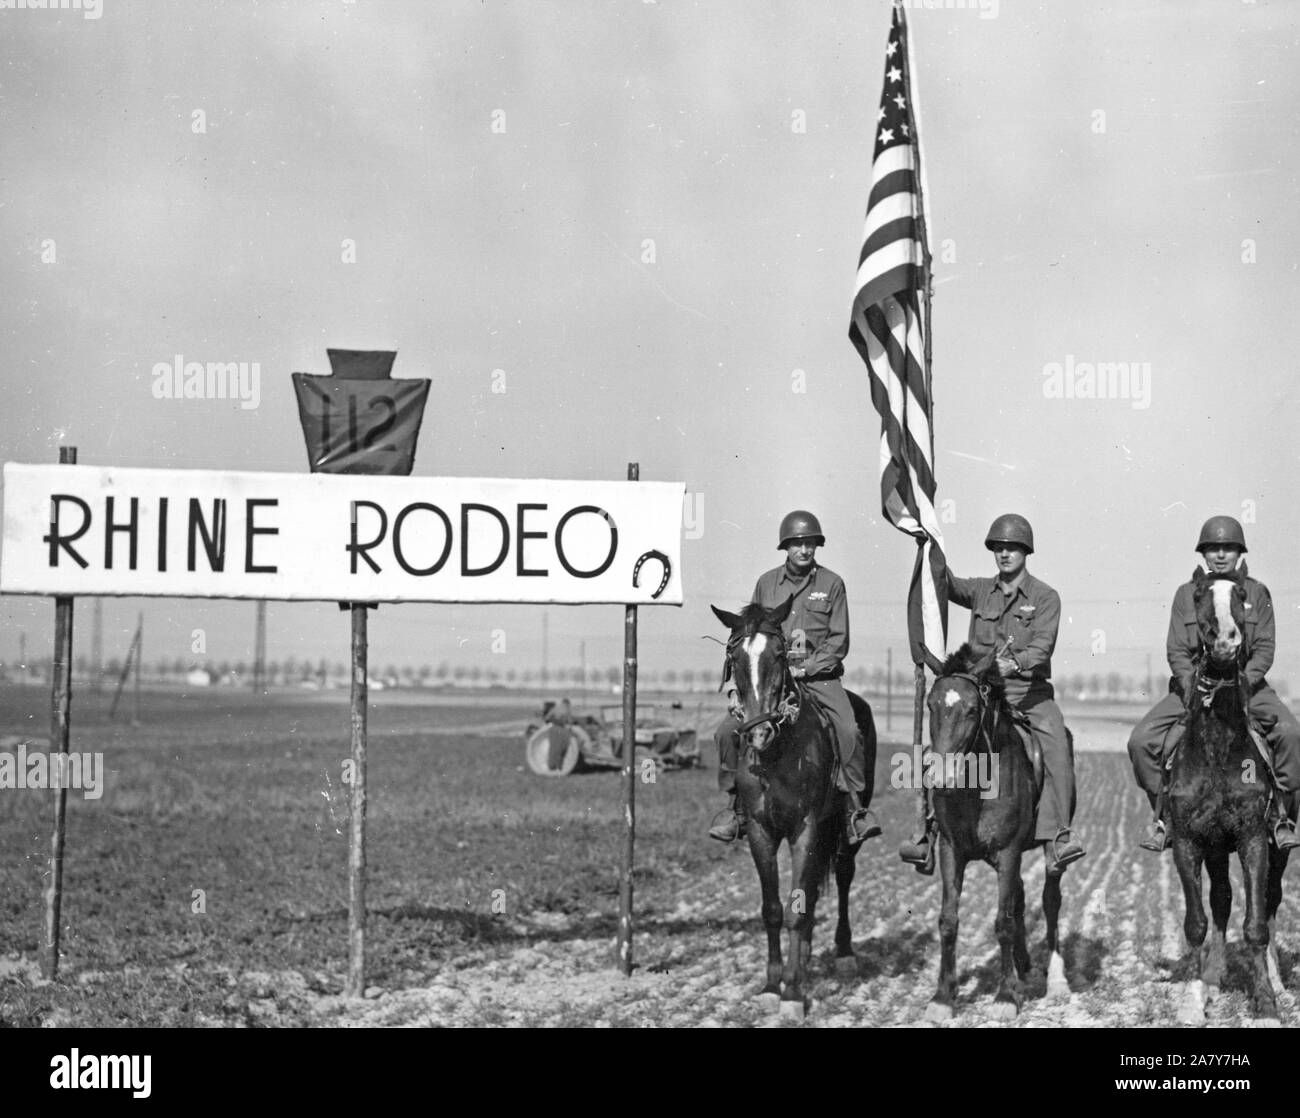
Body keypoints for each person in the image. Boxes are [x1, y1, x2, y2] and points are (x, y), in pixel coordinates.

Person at [899, 514, 1086, 874]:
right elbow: (946, 584)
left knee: (1056, 745)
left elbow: (1042, 648)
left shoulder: (1046, 597)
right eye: (998, 548)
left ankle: (1057, 836)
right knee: (945, 737)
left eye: (1012, 548)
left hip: (1028, 695)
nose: (1004, 554)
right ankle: (927, 828)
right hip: (983, 695)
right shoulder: (981, 590)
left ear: (1025, 552)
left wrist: (1014, 664)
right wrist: (927, 547)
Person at [1127, 516, 1300, 853]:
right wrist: (1193, 687)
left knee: (1291, 734)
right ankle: (1165, 816)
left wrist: (1243, 684)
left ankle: (1281, 814)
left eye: (1228, 548)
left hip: (1247, 688)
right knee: (1141, 741)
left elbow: (1264, 648)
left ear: (1239, 552)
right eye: (1213, 548)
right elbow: (1177, 649)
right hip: (1193, 689)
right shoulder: (1186, 595)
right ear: (1203, 554)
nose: (1220, 554)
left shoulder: (1257, 592)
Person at [709, 510, 879, 844]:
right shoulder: (766, 583)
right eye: (797, 543)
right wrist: (738, 682)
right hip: (773, 681)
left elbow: (838, 641)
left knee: (848, 729)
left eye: (810, 543)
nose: (804, 549)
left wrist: (806, 668)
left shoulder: (832, 584)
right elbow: (750, 635)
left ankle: (855, 809)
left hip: (819, 678)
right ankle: (734, 806)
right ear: (786, 546)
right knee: (726, 732)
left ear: (817, 546)